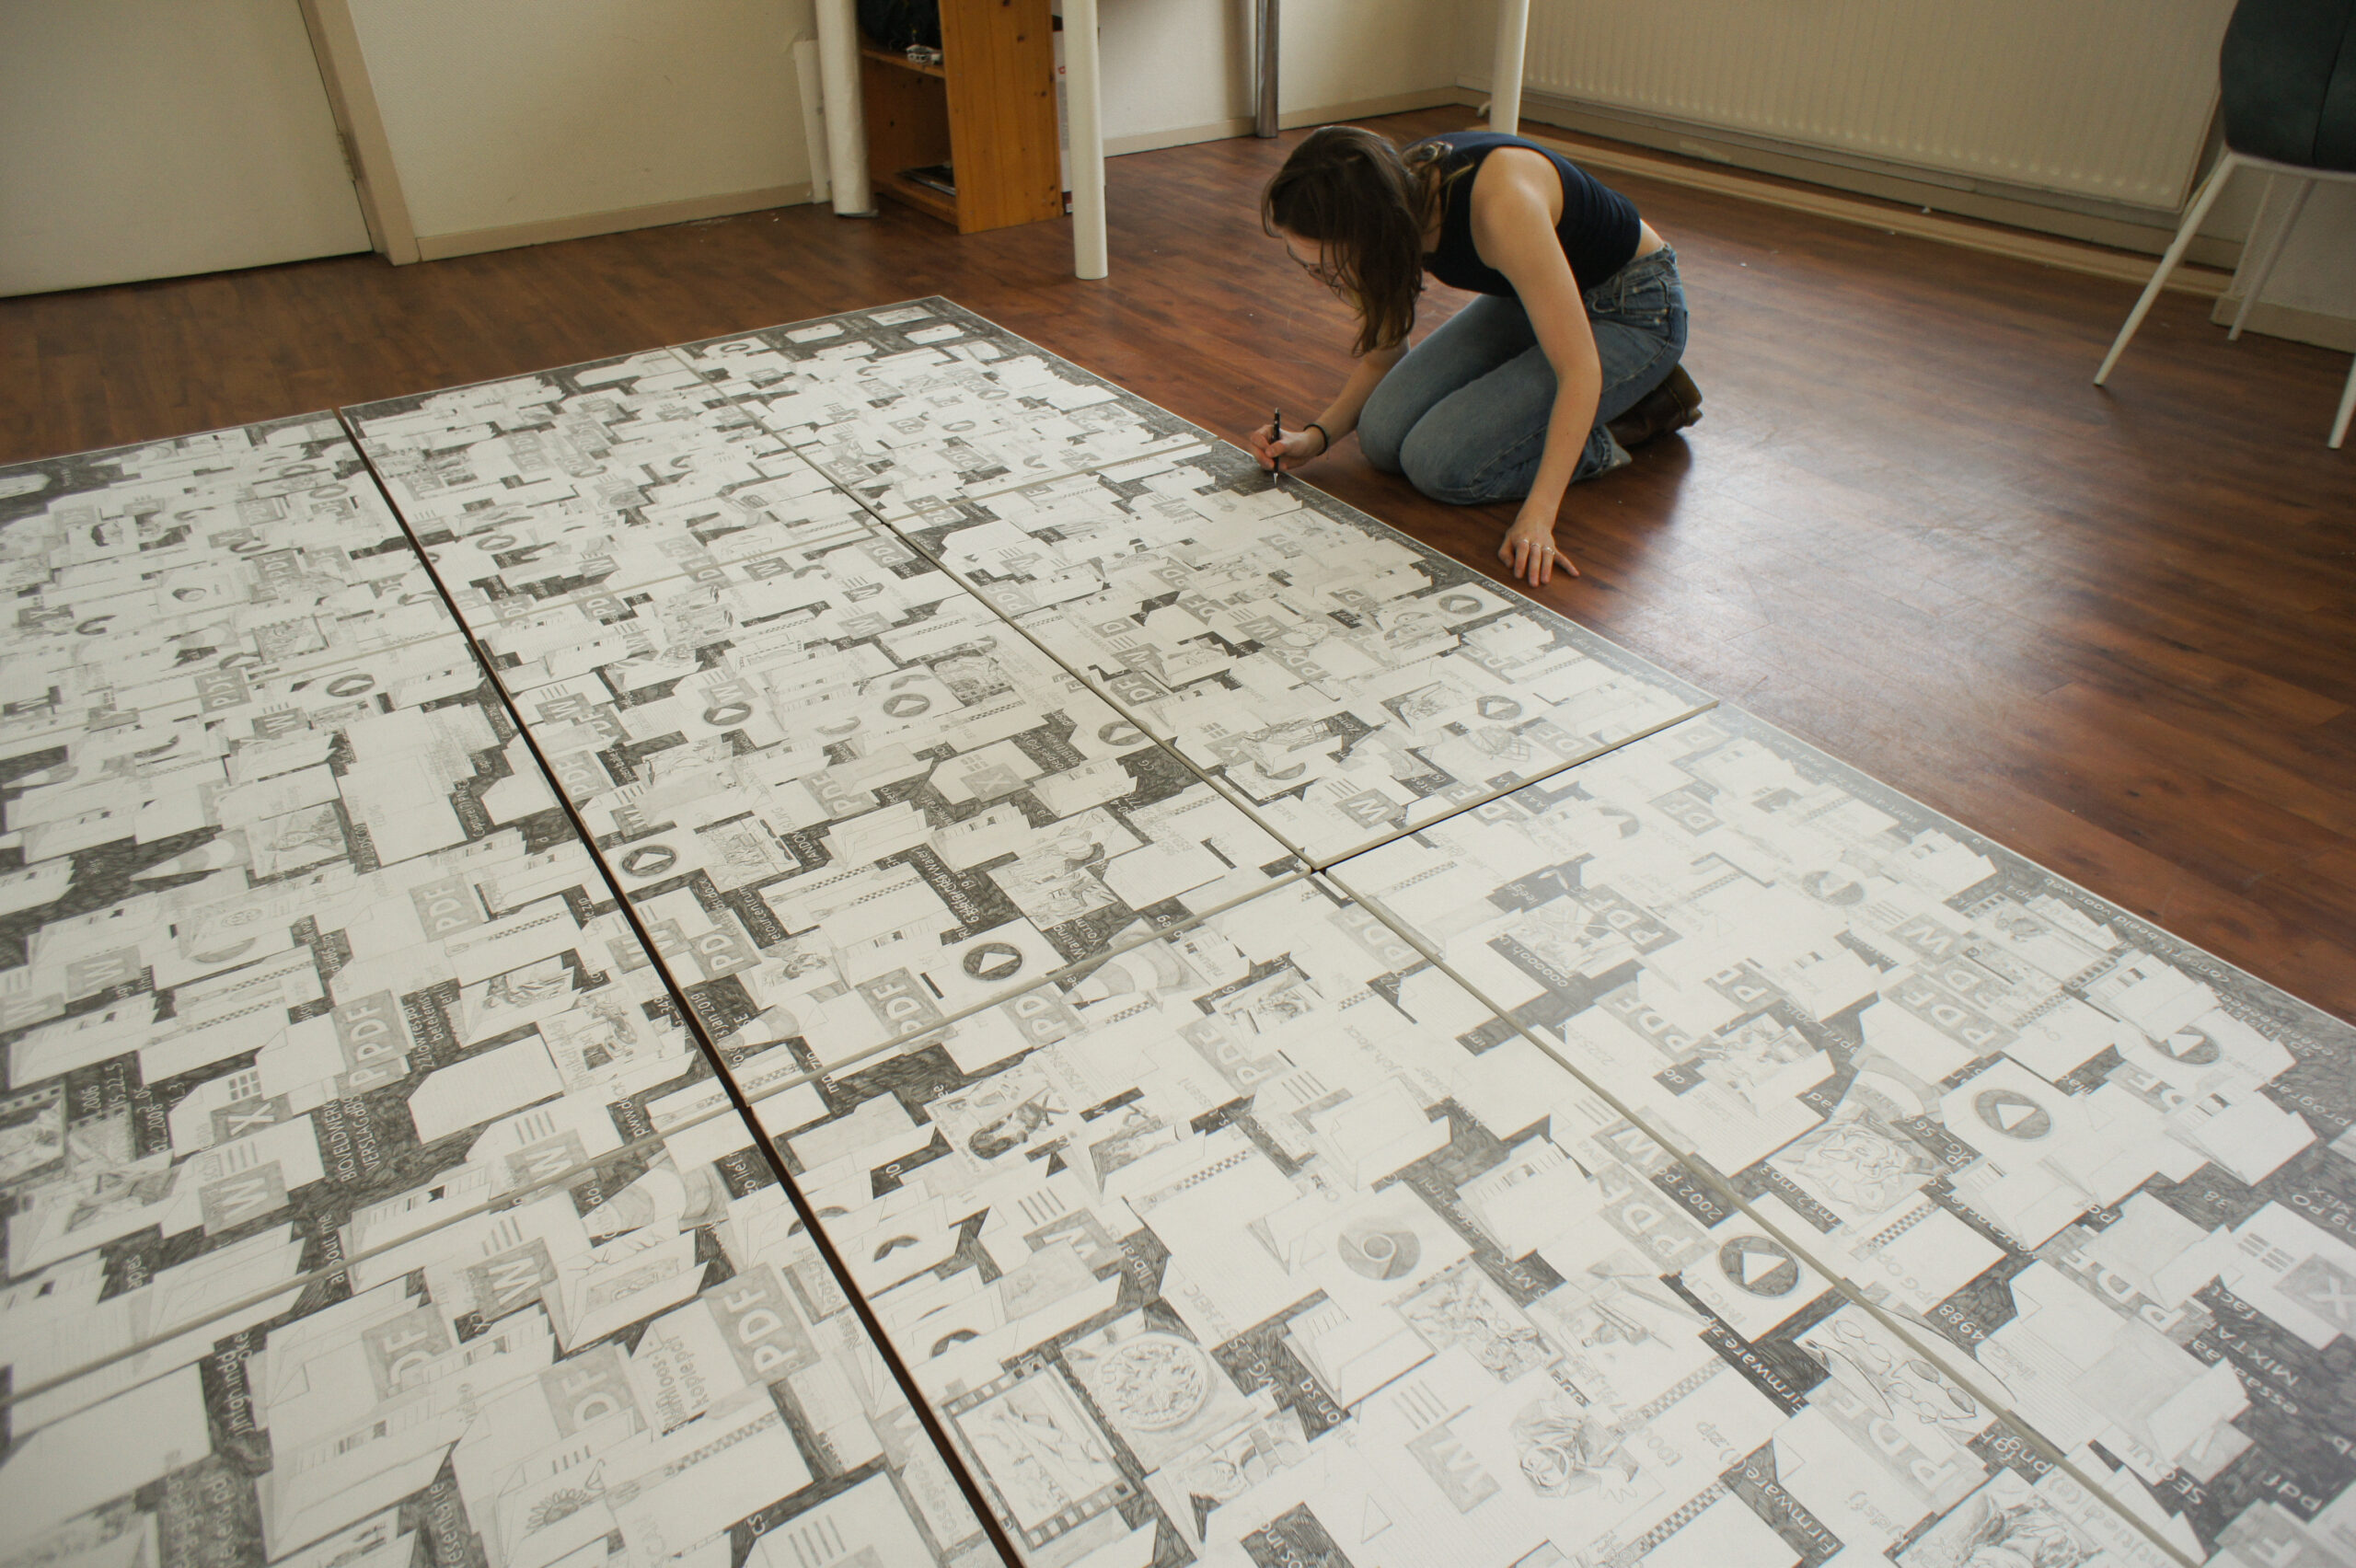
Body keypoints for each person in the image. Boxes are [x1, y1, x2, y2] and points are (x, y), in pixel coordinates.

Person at [1244, 125, 1700, 586]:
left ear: (1371, 235)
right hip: (1532, 297)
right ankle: (1568, 396)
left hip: (1633, 309)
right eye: (1307, 266)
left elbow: (1579, 370)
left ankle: (1638, 410)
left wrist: (1538, 516)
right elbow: (1385, 356)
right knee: (1379, 436)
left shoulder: (1500, 208)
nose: (1319, 281)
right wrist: (1314, 439)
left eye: (1326, 268)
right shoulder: (1387, 195)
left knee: (1442, 467)